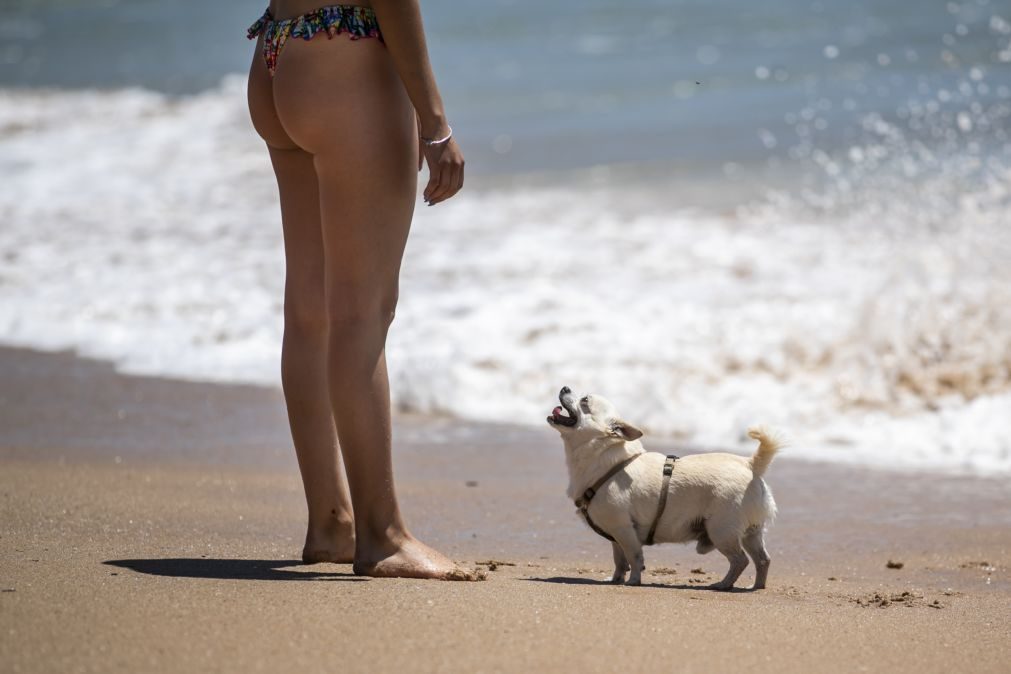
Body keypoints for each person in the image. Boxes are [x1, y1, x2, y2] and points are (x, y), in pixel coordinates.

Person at [246, 1, 474, 580]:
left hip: (278, 55)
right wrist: (435, 121)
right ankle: (382, 534)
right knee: (361, 312)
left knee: (310, 313)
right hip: (345, 65)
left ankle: (331, 523)